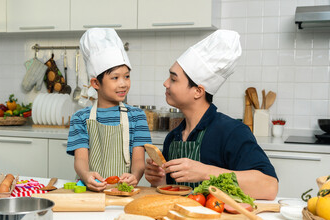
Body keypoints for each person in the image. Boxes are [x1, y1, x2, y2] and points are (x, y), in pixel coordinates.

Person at [144, 30, 278, 200]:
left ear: (198, 91)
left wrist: (205, 172)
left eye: (173, 79)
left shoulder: (232, 132)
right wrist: (160, 179)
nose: (166, 83)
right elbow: (173, 193)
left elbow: (269, 186)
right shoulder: (173, 137)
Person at [67, 28, 152, 192]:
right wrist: (86, 175)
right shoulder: (80, 118)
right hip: (91, 192)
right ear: (96, 83)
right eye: (115, 78)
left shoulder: (137, 117)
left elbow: (139, 161)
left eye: (127, 76)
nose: (123, 83)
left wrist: (135, 175)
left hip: (124, 192)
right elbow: (81, 160)